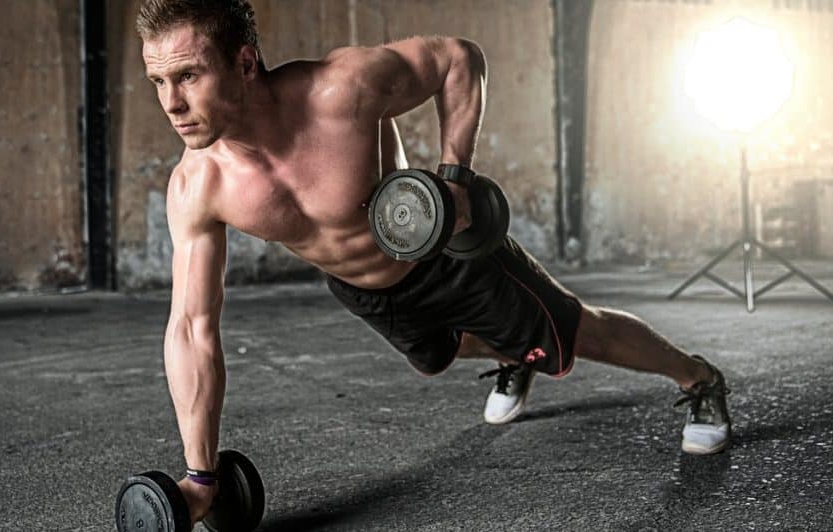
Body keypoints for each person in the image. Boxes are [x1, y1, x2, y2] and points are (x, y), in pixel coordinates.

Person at [137, 0, 731, 524]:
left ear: (243, 62)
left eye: (188, 75)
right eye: (158, 81)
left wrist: (454, 179)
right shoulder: (197, 187)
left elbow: (457, 59)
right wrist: (202, 476)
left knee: (573, 332)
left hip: (445, 256)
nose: (171, 102)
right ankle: (510, 354)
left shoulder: (340, 91)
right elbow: (192, 329)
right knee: (438, 356)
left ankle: (697, 377)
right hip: (364, 290)